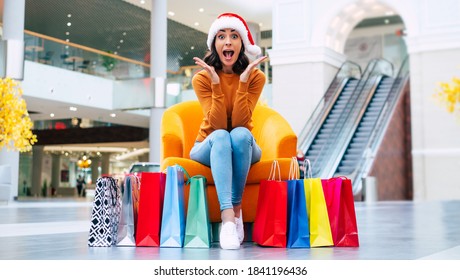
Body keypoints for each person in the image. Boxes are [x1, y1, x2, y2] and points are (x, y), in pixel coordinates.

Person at [190, 13, 267, 250]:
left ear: (242, 44)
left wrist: (243, 82)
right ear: (214, 43)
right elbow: (218, 125)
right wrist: (215, 83)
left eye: (234, 36)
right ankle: (228, 220)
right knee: (224, 136)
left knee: (240, 135)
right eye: (221, 36)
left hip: (244, 144)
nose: (228, 42)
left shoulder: (255, 77)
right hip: (209, 143)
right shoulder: (202, 79)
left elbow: (242, 123)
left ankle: (236, 211)